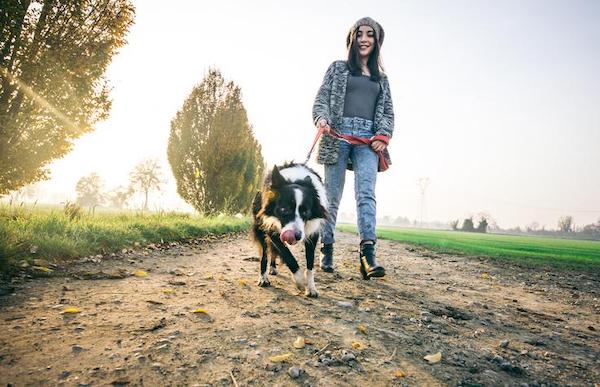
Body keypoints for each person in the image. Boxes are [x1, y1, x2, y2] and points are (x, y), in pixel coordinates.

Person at [312, 16, 394, 279]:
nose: (364, 39)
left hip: (368, 141)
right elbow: (321, 99)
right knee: (331, 196)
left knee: (366, 195)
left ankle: (367, 256)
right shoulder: (337, 68)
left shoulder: (382, 79)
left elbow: (388, 112)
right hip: (337, 135)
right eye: (359, 34)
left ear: (377, 41)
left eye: (370, 34)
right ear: (352, 39)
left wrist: (384, 134)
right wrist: (322, 118)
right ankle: (327, 248)